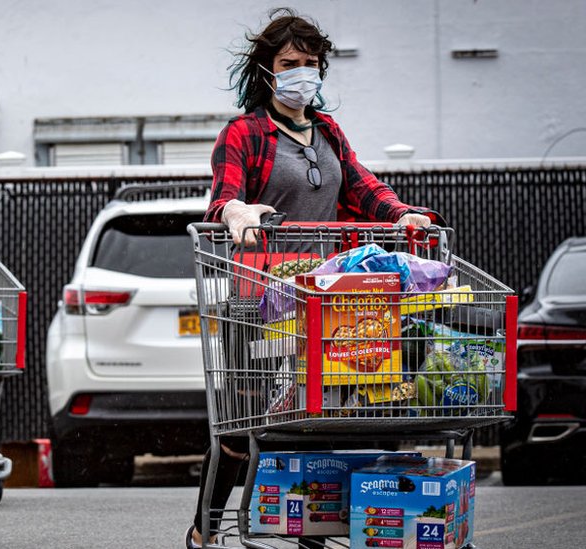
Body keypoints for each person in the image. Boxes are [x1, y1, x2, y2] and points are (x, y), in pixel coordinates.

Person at [186, 9, 439, 548]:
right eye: (289, 63)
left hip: (327, 294)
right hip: (260, 294)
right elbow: (222, 200)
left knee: (324, 414)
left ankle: (311, 533)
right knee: (243, 423)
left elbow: (363, 186)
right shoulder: (245, 133)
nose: (302, 72)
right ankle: (207, 526)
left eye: (310, 63)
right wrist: (237, 212)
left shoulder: (327, 131)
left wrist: (402, 215)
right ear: (267, 70)